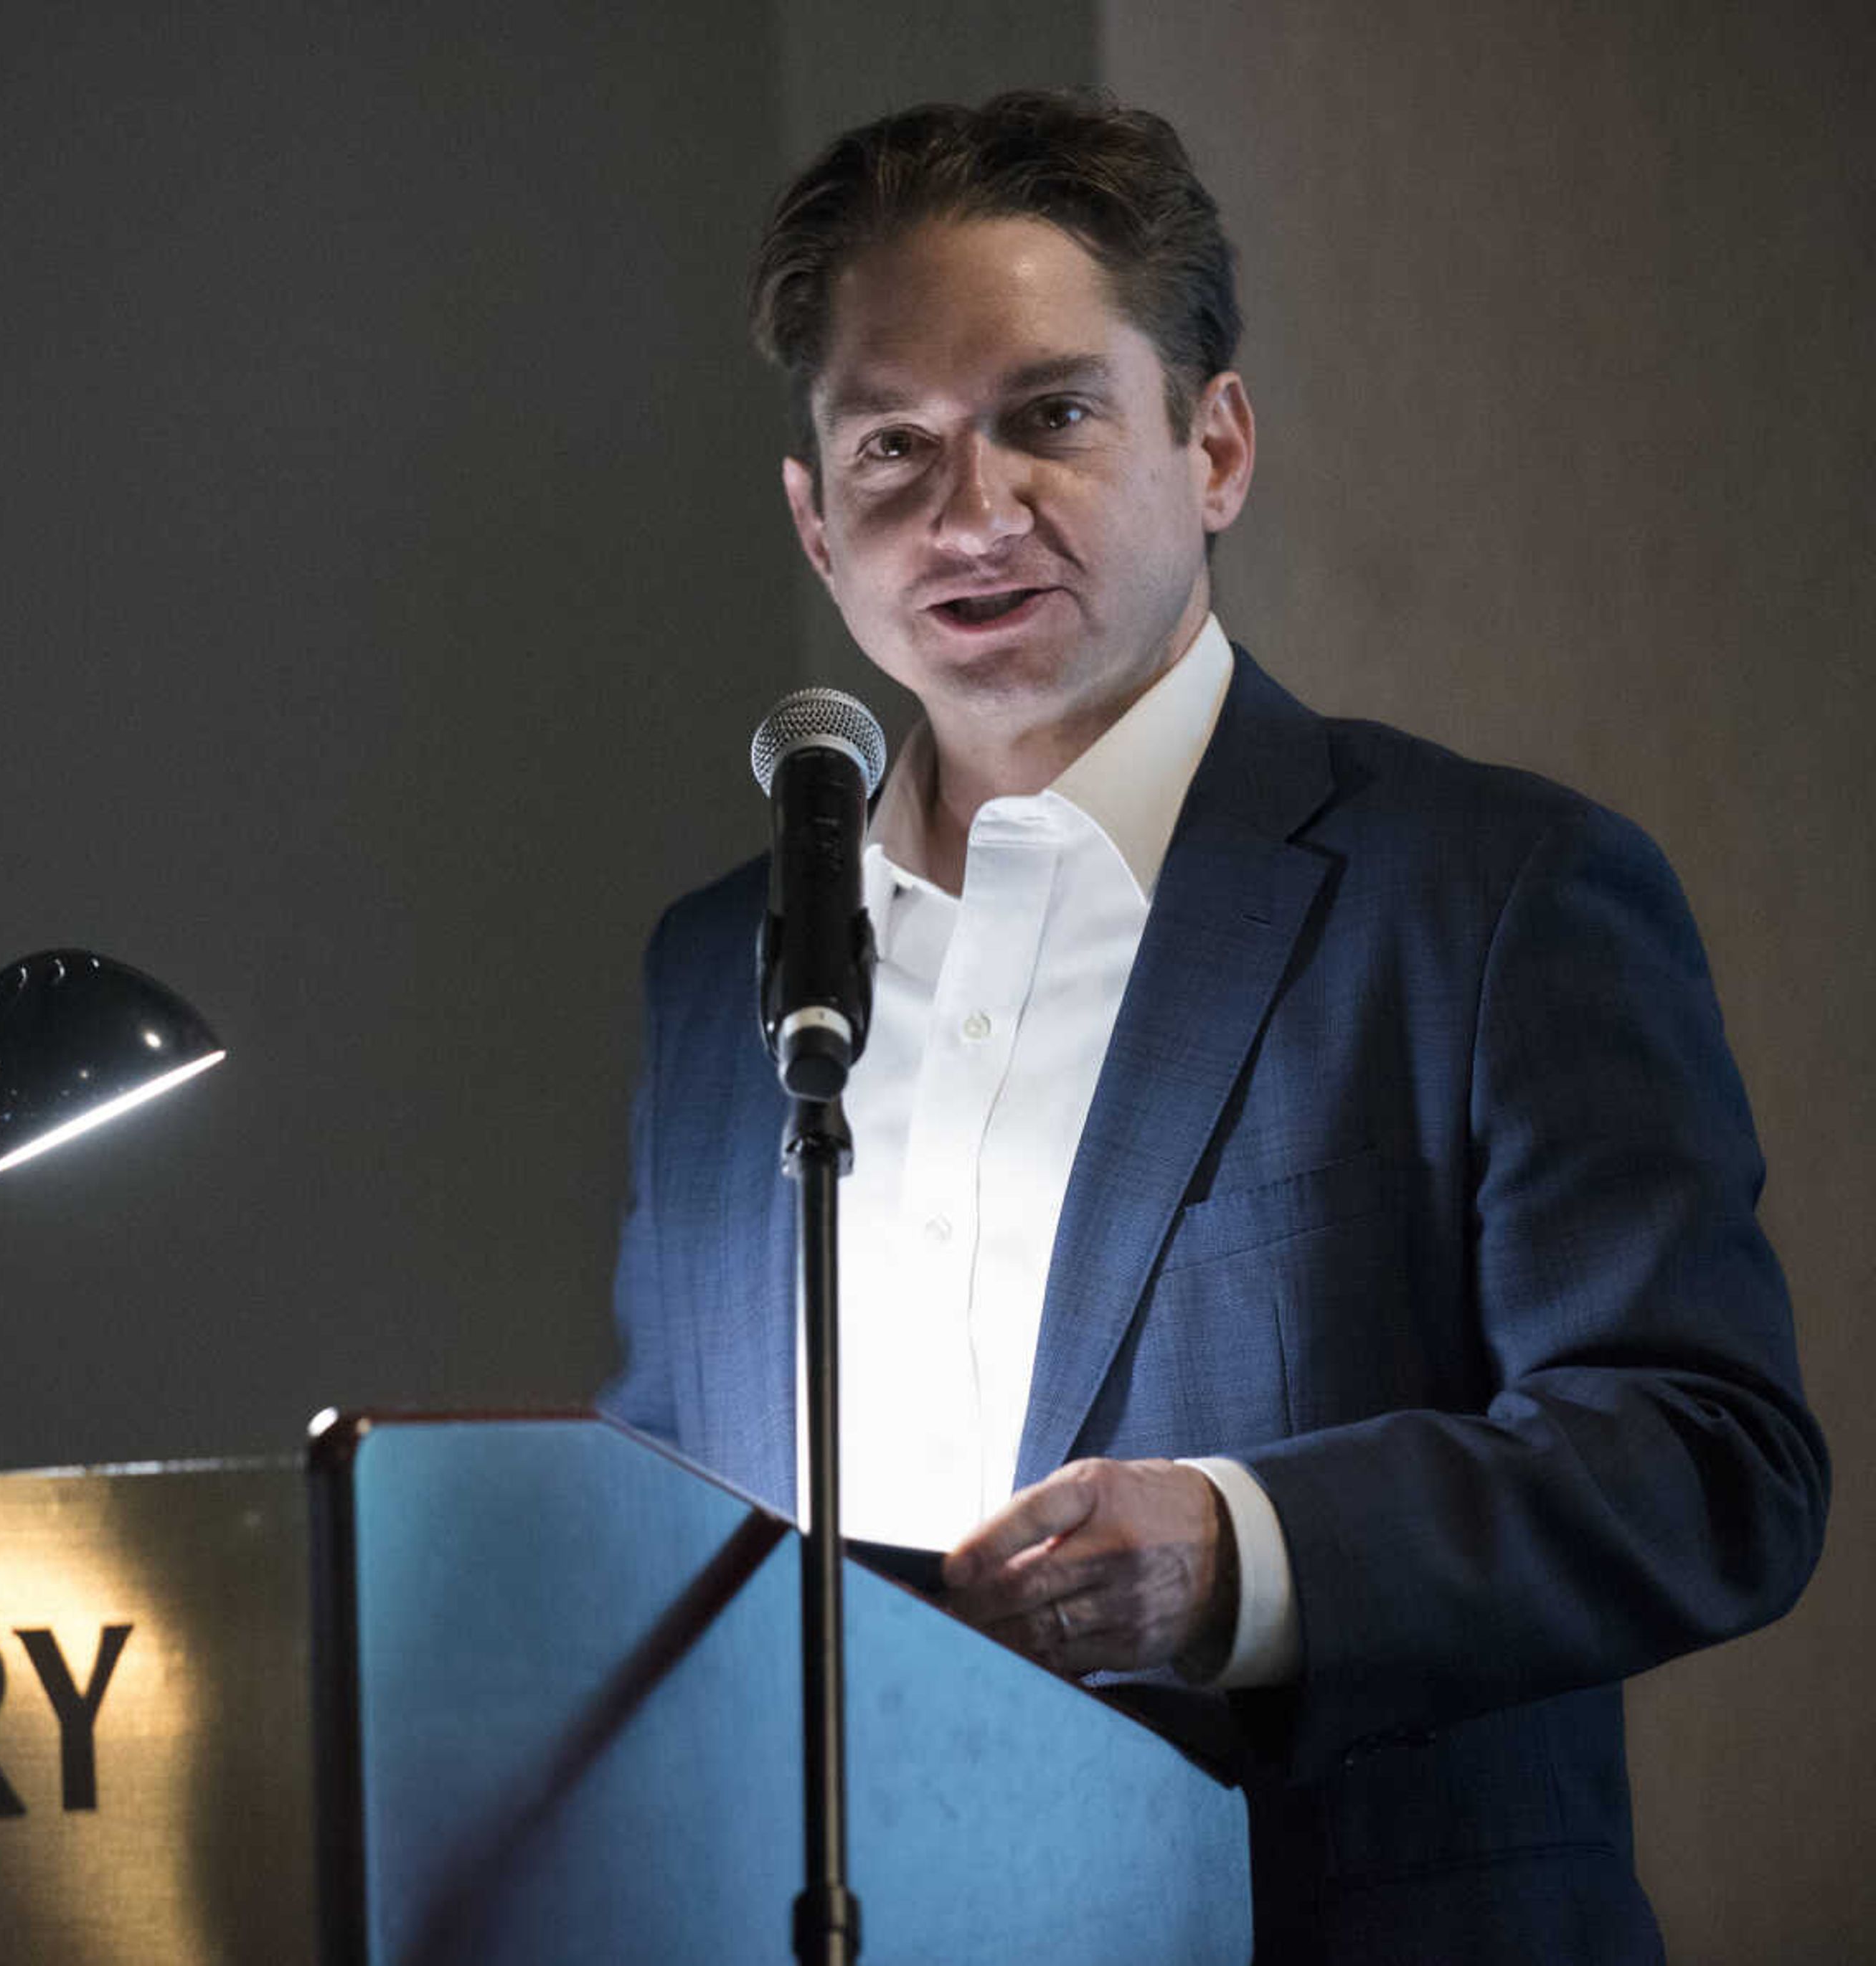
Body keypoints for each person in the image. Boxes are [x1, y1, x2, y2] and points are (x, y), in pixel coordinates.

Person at [600, 90, 1826, 1962]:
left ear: (1219, 443)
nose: (972, 510)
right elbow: (664, 1514)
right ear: (814, 521)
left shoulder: (1491, 895)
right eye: (894, 449)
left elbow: (1707, 1462)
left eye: (1051, 417)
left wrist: (1245, 1555)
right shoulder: (728, 974)